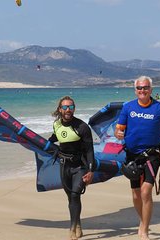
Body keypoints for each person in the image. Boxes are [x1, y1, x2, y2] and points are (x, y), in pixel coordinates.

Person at [114, 76, 160, 240]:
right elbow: (118, 130)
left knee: (146, 192)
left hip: (152, 155)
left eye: (145, 87)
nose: (142, 90)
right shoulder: (128, 108)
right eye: (139, 88)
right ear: (135, 90)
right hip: (132, 156)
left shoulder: (159, 109)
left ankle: (144, 231)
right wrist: (118, 133)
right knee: (136, 194)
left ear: (151, 89)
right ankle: (143, 221)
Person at [48, 96, 95, 240]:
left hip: (79, 166)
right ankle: (78, 223)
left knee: (75, 194)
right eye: (65, 107)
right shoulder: (56, 124)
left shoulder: (82, 127)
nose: (68, 110)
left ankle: (72, 229)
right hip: (64, 166)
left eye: (71, 107)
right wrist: (35, 143)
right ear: (60, 109)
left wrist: (90, 171)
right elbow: (54, 138)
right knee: (70, 197)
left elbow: (89, 150)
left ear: (74, 109)